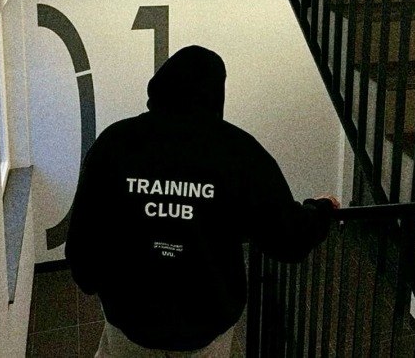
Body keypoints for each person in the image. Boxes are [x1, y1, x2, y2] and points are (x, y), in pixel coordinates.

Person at [65, 45, 340, 358]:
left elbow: (82, 241)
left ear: (161, 85)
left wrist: (98, 285)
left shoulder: (114, 143)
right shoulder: (238, 151)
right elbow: (287, 235)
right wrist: (321, 210)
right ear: (216, 92)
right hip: (205, 331)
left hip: (130, 327)